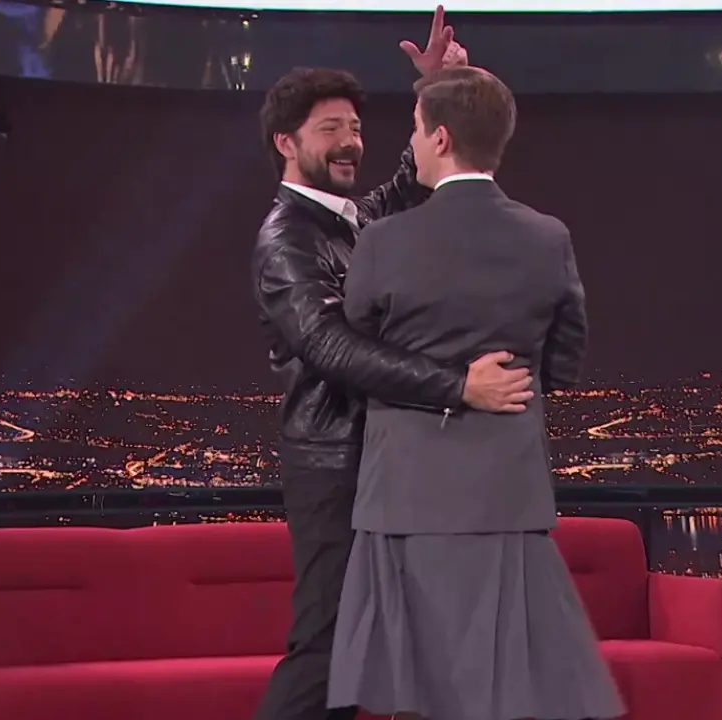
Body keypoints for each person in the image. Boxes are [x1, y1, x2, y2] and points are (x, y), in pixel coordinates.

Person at [250, 12, 538, 720]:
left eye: (354, 127)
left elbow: (407, 189)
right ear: (287, 143)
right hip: (335, 470)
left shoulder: (347, 220)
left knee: (389, 647)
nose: (351, 141)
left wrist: (437, 89)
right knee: (328, 647)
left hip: (383, 462)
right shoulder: (287, 239)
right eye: (330, 129)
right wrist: (459, 387)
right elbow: (331, 348)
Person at [326, 67, 626, 720]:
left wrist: (441, 387)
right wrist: (491, 387)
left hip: (405, 494)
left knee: (417, 689)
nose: (412, 141)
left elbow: (358, 359)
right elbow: (564, 362)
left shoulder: (382, 240)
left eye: (414, 129)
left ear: (438, 138)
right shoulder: (548, 237)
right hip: (505, 492)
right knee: (507, 690)